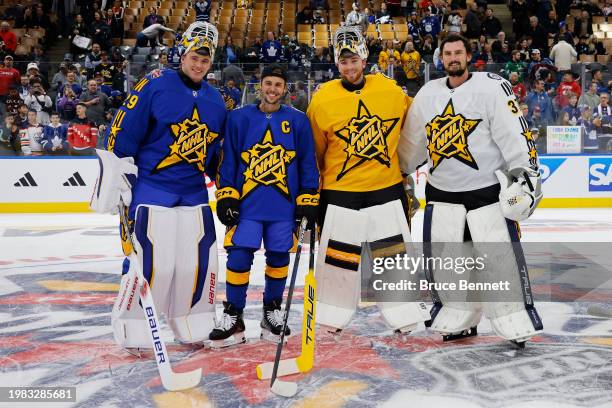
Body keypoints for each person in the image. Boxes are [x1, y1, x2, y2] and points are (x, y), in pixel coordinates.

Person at [398, 34, 543, 346]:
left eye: (458, 52)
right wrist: (399, 174)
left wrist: (525, 178)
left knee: (497, 259)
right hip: (441, 194)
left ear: (468, 56)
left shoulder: (491, 87)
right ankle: (459, 316)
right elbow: (411, 145)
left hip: (486, 193)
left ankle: (511, 316)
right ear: (441, 57)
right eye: (448, 53)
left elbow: (515, 136)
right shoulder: (426, 94)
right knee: (449, 264)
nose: (453, 58)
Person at [90, 22, 226, 352]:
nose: (199, 64)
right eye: (195, 56)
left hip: (193, 191)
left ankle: (193, 319)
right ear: (183, 54)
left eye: (205, 61)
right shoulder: (155, 83)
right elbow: (120, 133)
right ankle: (132, 323)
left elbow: (214, 155)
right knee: (153, 260)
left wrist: (229, 185)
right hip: (153, 187)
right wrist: (118, 183)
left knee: (199, 260)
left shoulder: (216, 101)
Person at [306, 26, 430, 336]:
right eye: (343, 62)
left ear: (364, 59)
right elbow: (315, 151)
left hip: (385, 188)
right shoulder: (321, 100)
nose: (350, 67)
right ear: (337, 64)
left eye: (354, 60)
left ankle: (403, 310)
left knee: (393, 255)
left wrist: (406, 167)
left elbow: (414, 130)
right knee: (338, 257)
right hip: (339, 192)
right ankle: (331, 312)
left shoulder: (390, 90)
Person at [209, 64, 319, 347]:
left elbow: (308, 161)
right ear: (260, 86)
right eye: (268, 84)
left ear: (285, 90)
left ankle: (272, 311)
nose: (272, 89)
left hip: (283, 207)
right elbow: (229, 160)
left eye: (278, 85)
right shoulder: (238, 118)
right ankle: (234, 315)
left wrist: (307, 198)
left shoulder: (298, 120)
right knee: (239, 257)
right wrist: (227, 195)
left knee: (279, 257)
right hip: (247, 206)